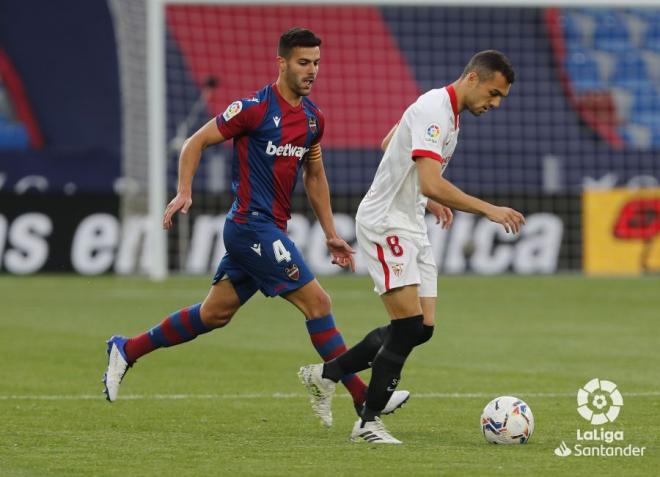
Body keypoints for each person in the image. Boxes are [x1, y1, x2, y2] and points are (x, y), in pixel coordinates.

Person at [102, 27, 409, 425]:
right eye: (303, 63)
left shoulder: (313, 120)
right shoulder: (252, 109)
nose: (311, 71)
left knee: (215, 314)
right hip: (250, 226)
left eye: (316, 63)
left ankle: (126, 349)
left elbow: (315, 175)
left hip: (269, 229)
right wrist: (184, 191)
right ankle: (363, 397)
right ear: (281, 63)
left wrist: (331, 233)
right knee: (318, 303)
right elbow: (195, 142)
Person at [299, 50, 525, 443]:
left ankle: (325, 374)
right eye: (493, 93)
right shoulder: (435, 109)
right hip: (386, 221)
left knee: (423, 329)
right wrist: (486, 208)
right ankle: (368, 422)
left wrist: (424, 194)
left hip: (410, 221)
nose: (494, 104)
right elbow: (430, 179)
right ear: (472, 78)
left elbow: (392, 141)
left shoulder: (445, 114)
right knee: (405, 326)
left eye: (500, 98)